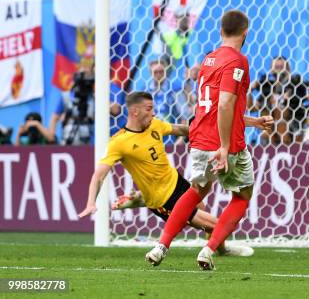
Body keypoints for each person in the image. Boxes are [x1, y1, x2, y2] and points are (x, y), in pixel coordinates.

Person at [145, 10, 274, 270]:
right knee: (242, 196)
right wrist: (225, 147)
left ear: (220, 31)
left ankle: (161, 246)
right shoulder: (237, 61)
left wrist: (253, 121)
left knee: (196, 191)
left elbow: (216, 107)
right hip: (225, 144)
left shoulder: (209, 60)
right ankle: (209, 248)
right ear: (246, 32)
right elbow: (225, 104)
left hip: (200, 140)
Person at [78, 91, 262, 256]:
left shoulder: (155, 125)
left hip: (178, 182)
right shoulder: (119, 142)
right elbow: (99, 175)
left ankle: (222, 250)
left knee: (207, 216)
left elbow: (181, 129)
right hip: (163, 199)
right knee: (215, 225)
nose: (153, 113)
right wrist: (90, 203)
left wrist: (205, 131)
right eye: (149, 109)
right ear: (134, 111)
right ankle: (145, 200)